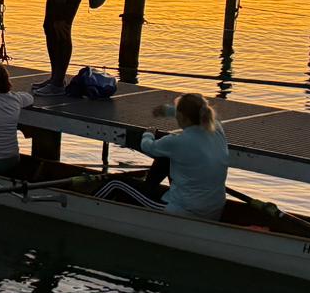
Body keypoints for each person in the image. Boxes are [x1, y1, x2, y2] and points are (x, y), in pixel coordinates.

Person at [96, 93, 229, 220]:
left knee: (114, 183)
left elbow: (147, 146)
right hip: (215, 210)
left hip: (183, 211)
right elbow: (194, 113)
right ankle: (147, 189)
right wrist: (167, 111)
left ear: (183, 117)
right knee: (167, 157)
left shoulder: (177, 141)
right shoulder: (216, 127)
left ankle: (86, 206)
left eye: (177, 114)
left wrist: (148, 134)